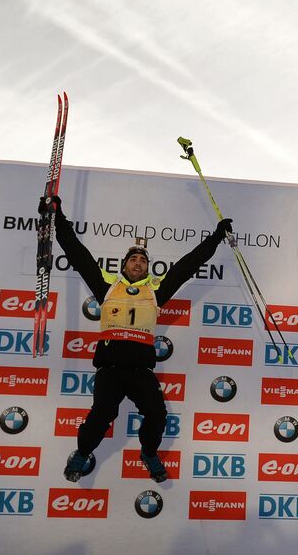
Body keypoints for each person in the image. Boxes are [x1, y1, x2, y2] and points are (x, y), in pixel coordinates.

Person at [45, 194, 232, 483]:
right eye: (132, 259)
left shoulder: (156, 291)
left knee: (157, 417)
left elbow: (188, 265)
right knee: (101, 416)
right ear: (123, 265)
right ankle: (82, 453)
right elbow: (76, 253)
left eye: (142, 260)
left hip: (141, 372)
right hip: (110, 371)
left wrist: (216, 238)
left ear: (148, 268)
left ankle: (148, 452)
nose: (137, 262)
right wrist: (57, 216)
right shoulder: (106, 285)